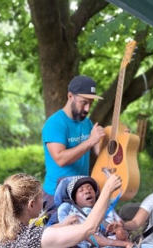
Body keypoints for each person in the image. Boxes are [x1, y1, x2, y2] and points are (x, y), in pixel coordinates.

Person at [42, 75, 105, 212]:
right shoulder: (55, 124)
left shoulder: (86, 123)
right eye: (84, 102)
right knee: (62, 233)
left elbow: (100, 153)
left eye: (91, 103)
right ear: (70, 96)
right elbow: (60, 159)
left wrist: (121, 138)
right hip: (58, 195)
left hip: (82, 194)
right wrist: (90, 141)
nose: (87, 109)